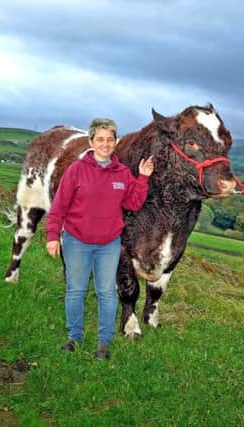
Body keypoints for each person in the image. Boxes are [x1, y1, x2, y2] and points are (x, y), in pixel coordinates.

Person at [45, 118, 154, 359]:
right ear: (92, 142)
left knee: (106, 292)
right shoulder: (76, 170)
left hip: (108, 244)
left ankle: (103, 343)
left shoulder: (123, 173)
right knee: (76, 290)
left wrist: (143, 177)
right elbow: (59, 206)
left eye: (110, 139)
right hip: (76, 241)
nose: (105, 144)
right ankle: (74, 337)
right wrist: (53, 236)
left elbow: (133, 203)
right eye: (100, 139)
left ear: (115, 142)